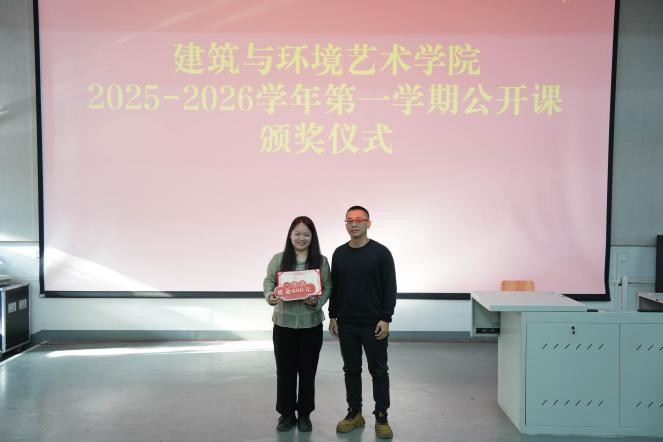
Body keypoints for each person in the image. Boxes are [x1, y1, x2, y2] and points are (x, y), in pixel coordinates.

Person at [328, 205, 397, 439]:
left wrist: (386, 318)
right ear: (346, 224)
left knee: (379, 370)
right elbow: (335, 288)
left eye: (359, 219)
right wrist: (333, 315)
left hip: (373, 324)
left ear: (369, 223)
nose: (354, 224)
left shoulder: (381, 253)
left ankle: (381, 416)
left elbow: (390, 288)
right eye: (349, 220)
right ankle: (354, 413)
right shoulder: (339, 253)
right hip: (346, 324)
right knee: (351, 370)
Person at [263, 216, 331, 433]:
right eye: (297, 233)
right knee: (285, 371)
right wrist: (270, 295)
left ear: (313, 237)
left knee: (308, 371)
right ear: (290, 235)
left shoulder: (321, 261)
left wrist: (316, 301)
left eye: (306, 234)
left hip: (311, 326)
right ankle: (286, 414)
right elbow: (269, 281)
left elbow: (327, 287)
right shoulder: (278, 259)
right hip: (284, 325)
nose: (302, 238)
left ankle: (304, 414)